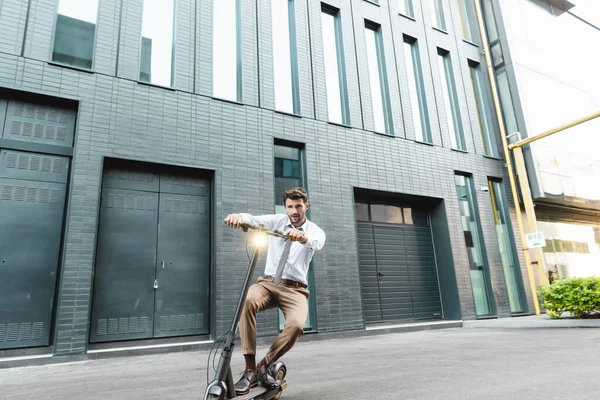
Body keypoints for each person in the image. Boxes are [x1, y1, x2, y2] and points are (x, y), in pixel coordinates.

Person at [224, 187, 326, 395]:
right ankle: (249, 369)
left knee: (296, 326)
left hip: (295, 290)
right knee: (248, 301)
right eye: (290, 206)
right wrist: (237, 217)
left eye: (298, 206)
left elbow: (317, 241)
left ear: (306, 206)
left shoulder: (314, 230)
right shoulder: (278, 221)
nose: (294, 210)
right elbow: (253, 219)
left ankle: (264, 365)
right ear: (285, 207)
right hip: (268, 284)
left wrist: (301, 237)